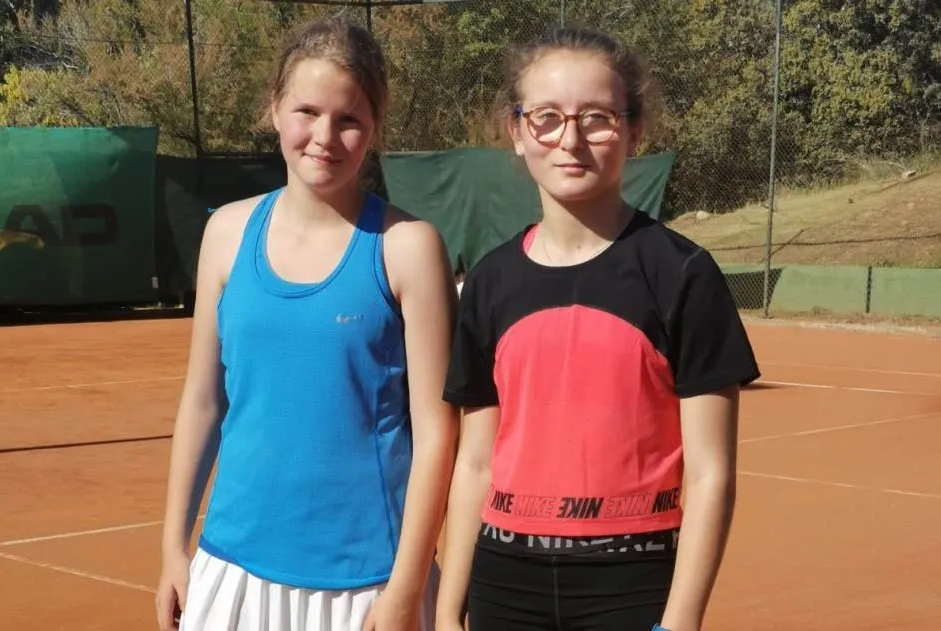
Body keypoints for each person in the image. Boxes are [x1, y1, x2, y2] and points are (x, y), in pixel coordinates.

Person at [436, 26, 761, 631]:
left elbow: (712, 471)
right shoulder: (488, 282)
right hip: (503, 580)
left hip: (633, 587)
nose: (571, 140)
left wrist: (679, 622)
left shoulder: (683, 273)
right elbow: (475, 462)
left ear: (634, 130)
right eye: (547, 118)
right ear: (516, 131)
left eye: (597, 118)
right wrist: (451, 606)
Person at [154, 16, 459, 631]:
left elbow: (436, 433)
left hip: (367, 581)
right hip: (230, 565)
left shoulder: (408, 247)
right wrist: (172, 547)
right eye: (307, 111)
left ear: (372, 130)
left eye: (349, 119)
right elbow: (203, 401)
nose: (325, 135)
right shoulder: (226, 233)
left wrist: (404, 589)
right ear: (274, 109)